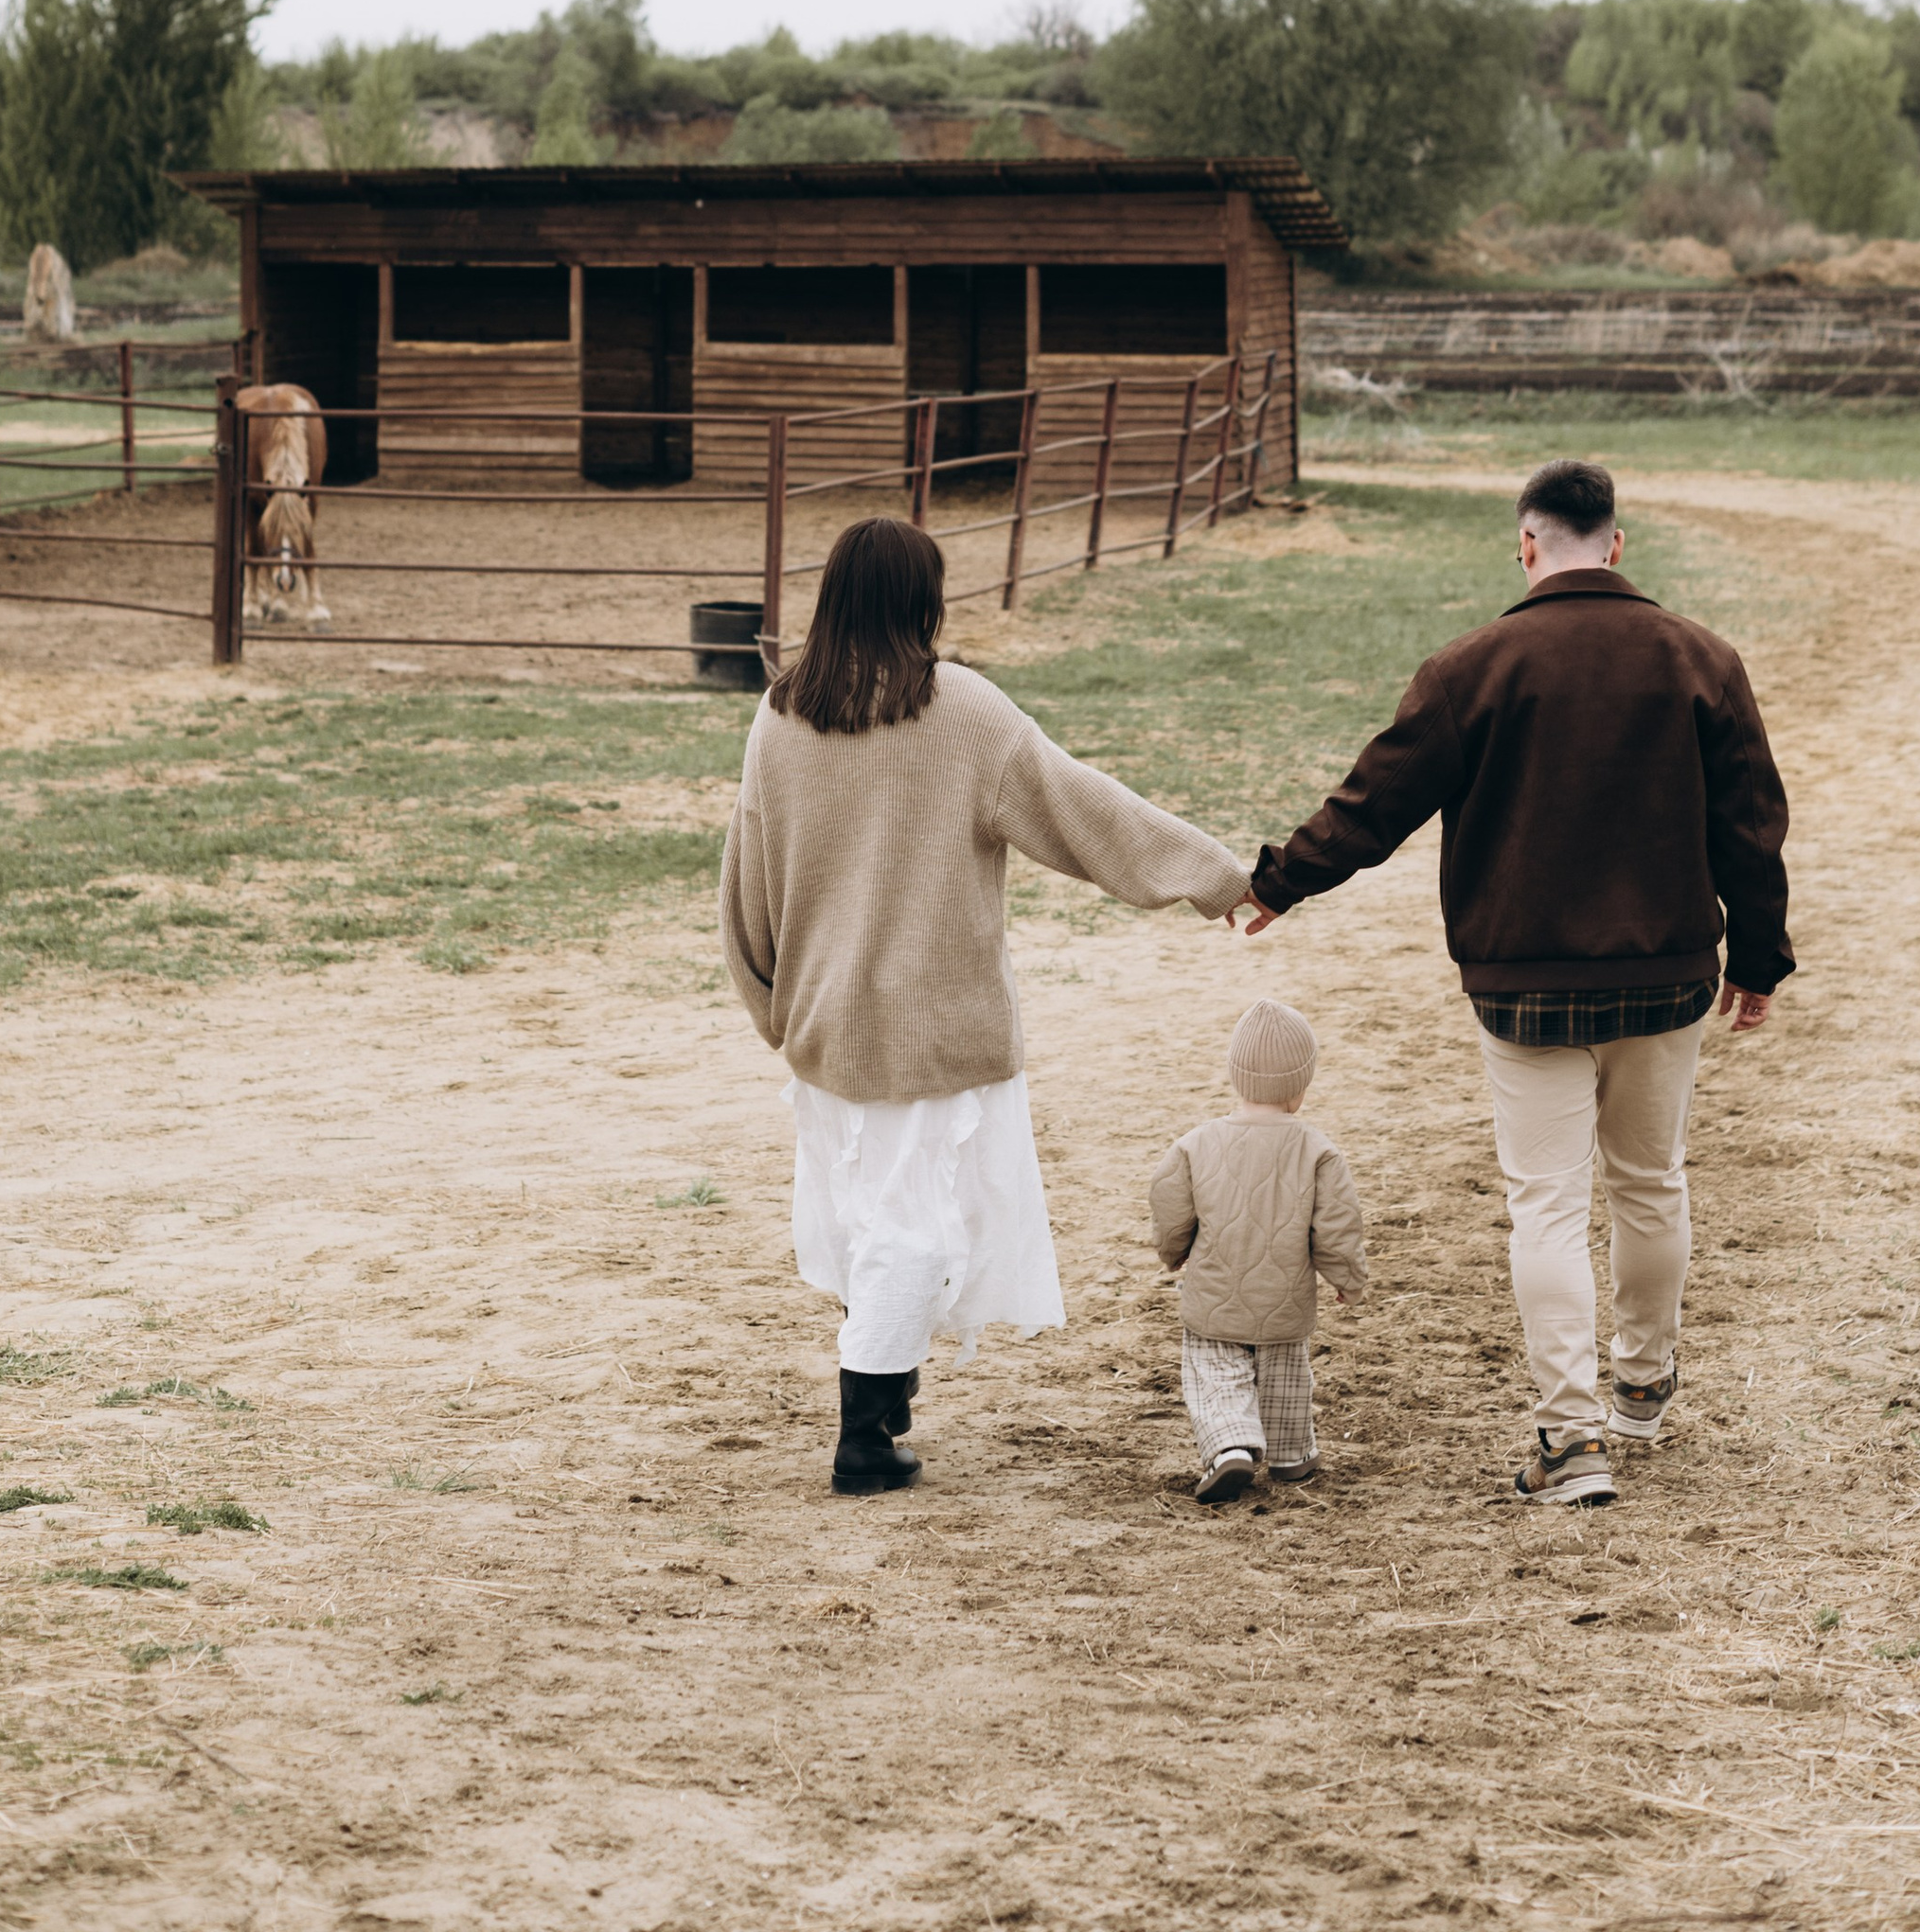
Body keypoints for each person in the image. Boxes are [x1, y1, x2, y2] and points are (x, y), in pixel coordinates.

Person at [1239, 458, 1792, 1509]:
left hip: (1523, 983)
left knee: (1547, 1203)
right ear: (1616, 544)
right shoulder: (1702, 659)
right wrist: (1759, 957)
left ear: (1527, 544)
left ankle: (1569, 1439)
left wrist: (1280, 882)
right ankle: (1643, 1380)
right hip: (1667, 975)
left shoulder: (1471, 667)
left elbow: (1373, 802)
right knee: (1651, 1181)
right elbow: (1751, 824)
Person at [719, 513, 1253, 1495]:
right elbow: (1086, 808)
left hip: (826, 1022)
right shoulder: (959, 707)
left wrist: (770, 1003)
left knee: (875, 1219)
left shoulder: (780, 715)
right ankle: (864, 1439)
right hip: (931, 1028)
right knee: (910, 1228)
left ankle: (886, 1399)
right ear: (920, 601)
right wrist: (1217, 875)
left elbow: (744, 876)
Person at [1149, 999, 1366, 1503]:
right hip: (1285, 1297)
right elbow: (1337, 1225)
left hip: (1214, 1294)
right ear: (1301, 1085)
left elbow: (1169, 1205)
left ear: (1235, 1076)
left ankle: (1230, 1448)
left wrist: (1172, 1251)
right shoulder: (1319, 1150)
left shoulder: (1194, 1144)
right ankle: (1292, 1457)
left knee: (1215, 1372)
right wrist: (1347, 1278)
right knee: (1285, 1374)